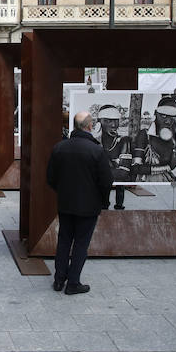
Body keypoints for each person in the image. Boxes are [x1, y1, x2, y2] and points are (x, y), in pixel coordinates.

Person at [46, 111, 113, 295]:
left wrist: (62, 191)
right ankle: (73, 282)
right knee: (81, 243)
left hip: (65, 203)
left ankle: (59, 279)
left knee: (64, 240)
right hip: (89, 205)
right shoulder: (97, 150)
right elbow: (106, 181)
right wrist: (104, 201)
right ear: (90, 126)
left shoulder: (60, 147)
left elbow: (50, 177)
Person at [132, 94, 176, 182]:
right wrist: (168, 167)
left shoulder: (173, 135)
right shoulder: (145, 135)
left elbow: (171, 160)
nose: (168, 121)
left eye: (172, 117)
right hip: (147, 180)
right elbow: (136, 168)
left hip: (166, 178)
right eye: (163, 116)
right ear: (155, 113)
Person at [95, 104, 130, 210]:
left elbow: (123, 173)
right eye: (108, 121)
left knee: (120, 187)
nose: (114, 125)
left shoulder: (124, 141)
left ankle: (119, 205)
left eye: (116, 120)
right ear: (99, 122)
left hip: (112, 180)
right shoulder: (94, 141)